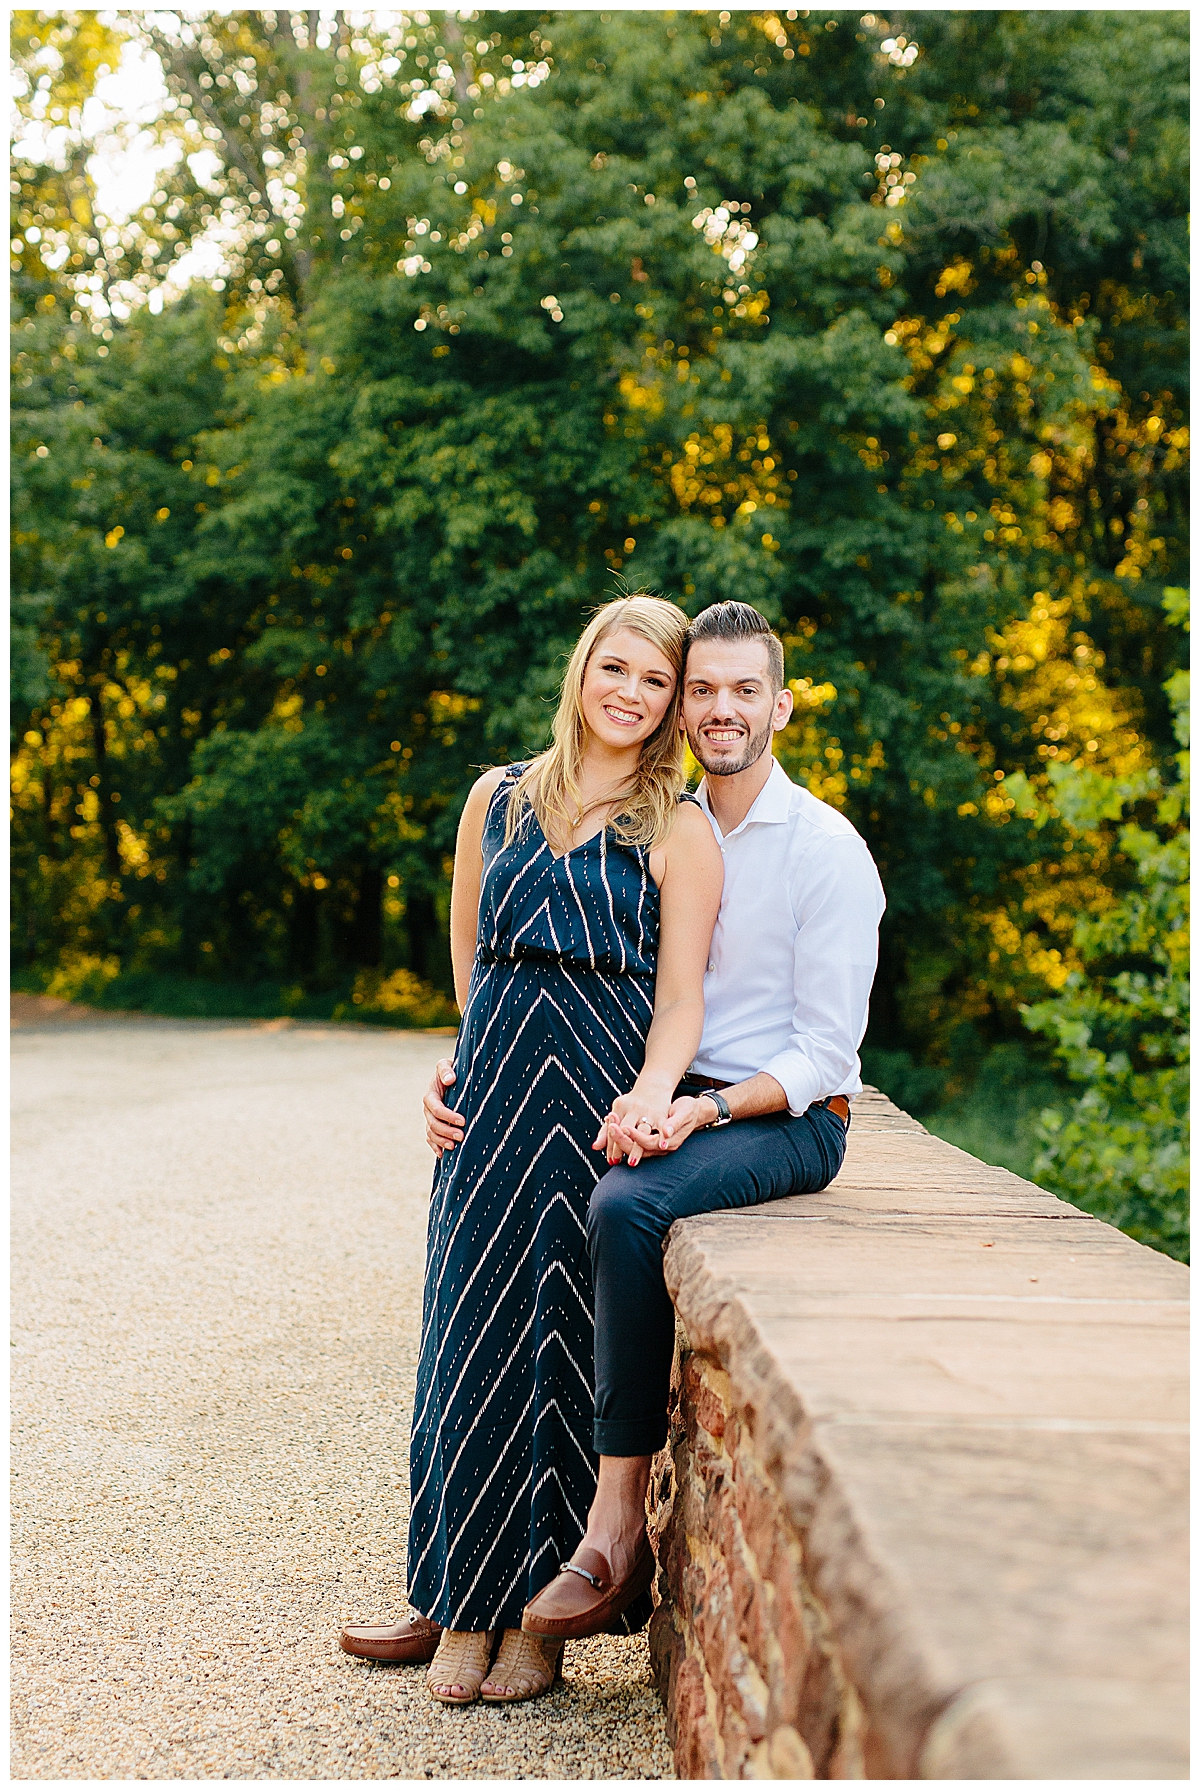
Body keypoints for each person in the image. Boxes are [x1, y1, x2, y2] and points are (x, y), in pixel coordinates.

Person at [341, 595, 723, 1702]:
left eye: (656, 682)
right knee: (466, 1335)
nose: (632, 693)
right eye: (617, 668)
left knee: (562, 1343)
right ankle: (457, 1596)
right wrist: (460, 1060)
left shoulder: (678, 825)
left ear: (668, 704)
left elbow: (683, 1000)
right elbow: (469, 953)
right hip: (495, 1105)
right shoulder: (497, 798)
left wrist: (652, 1095)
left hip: (599, 1105)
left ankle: (535, 1621)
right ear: (583, 670)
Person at [515, 599, 888, 1641]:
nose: (720, 708)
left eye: (743, 690)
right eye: (703, 689)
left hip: (783, 1114)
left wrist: (704, 1107)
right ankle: (485, 1543)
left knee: (628, 1205)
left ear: (781, 705)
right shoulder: (656, 821)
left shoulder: (826, 850)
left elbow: (825, 1055)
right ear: (681, 708)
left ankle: (616, 1527)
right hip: (668, 1086)